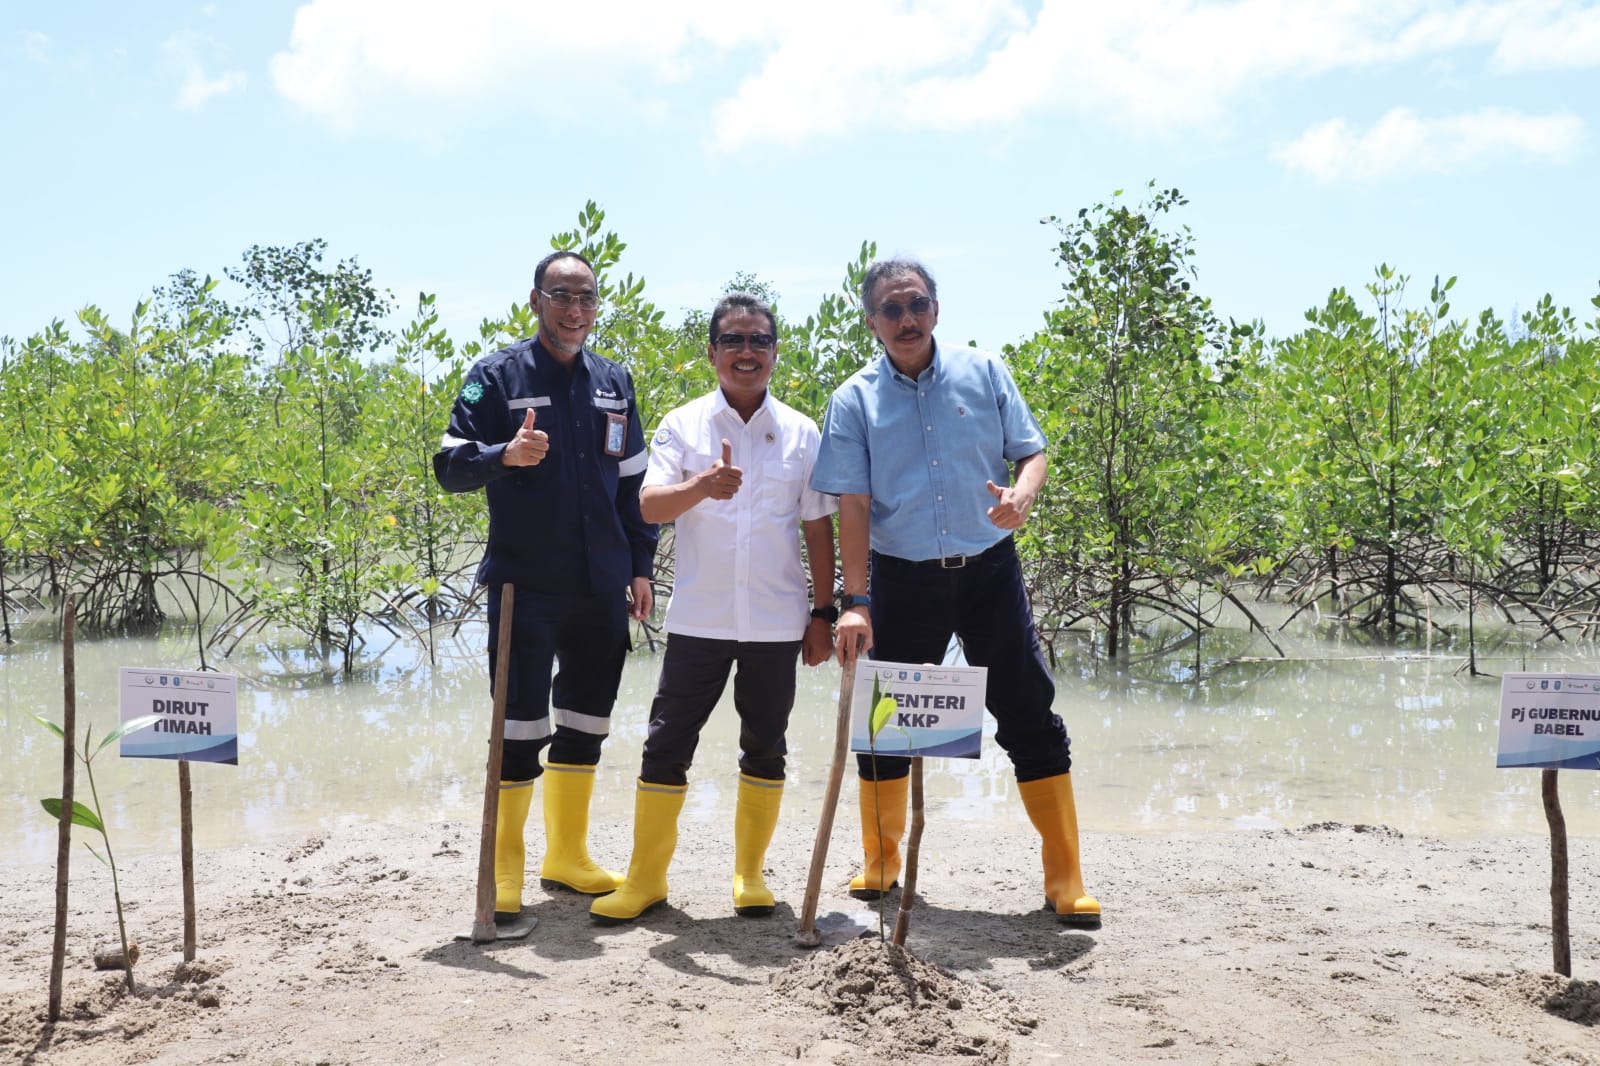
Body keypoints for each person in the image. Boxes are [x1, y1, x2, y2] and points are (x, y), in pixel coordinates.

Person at [808, 257, 1100, 927]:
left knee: (1029, 713)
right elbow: (852, 505)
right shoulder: (853, 398)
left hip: (991, 569)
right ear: (871, 321)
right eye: (891, 309)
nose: (905, 319)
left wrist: (1024, 494)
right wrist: (856, 600)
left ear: (936, 310)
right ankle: (881, 863)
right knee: (886, 727)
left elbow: (1031, 451)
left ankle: (1065, 878)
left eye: (916, 304)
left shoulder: (985, 370)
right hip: (902, 579)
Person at [591, 292, 837, 924]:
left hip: (777, 621)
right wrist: (702, 486)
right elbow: (647, 507)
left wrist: (823, 613)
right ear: (712, 352)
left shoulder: (803, 433)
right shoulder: (683, 424)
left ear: (776, 352)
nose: (746, 353)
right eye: (733, 341)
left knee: (766, 744)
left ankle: (750, 876)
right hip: (699, 618)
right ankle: (645, 879)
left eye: (758, 341)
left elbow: (817, 530)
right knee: (665, 745)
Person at [434, 250, 657, 926]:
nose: (574, 309)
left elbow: (634, 487)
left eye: (586, 296)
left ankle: (567, 856)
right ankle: (505, 870)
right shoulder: (495, 376)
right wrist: (504, 455)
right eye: (561, 294)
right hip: (522, 590)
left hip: (601, 588)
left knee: (586, 722)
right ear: (536, 301)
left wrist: (641, 567)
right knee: (519, 729)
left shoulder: (614, 382)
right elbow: (447, 465)